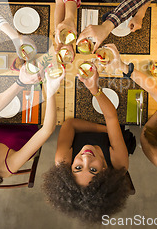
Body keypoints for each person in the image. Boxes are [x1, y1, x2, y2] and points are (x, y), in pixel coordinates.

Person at [42, 64, 133, 222]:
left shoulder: (62, 162)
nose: (85, 158)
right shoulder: (119, 164)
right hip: (109, 115)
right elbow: (112, 117)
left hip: (89, 120)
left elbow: (70, 124)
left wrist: (108, 130)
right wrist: (94, 89)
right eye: (93, 169)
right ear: (105, 171)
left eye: (78, 168)